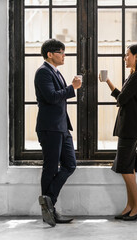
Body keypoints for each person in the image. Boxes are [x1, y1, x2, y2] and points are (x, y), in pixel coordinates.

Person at [99, 43, 137, 221]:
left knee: (124, 167)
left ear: (136, 56)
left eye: (127, 54)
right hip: (129, 126)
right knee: (127, 167)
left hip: (130, 127)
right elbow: (122, 97)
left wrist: (112, 86)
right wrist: (107, 81)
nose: (125, 57)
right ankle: (131, 205)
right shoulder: (135, 76)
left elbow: (122, 98)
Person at [35, 39, 82, 227]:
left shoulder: (55, 72)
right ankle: (49, 210)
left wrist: (70, 87)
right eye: (61, 52)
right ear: (50, 54)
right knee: (50, 168)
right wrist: (73, 88)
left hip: (62, 127)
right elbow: (51, 97)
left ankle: (48, 203)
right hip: (50, 128)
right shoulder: (43, 73)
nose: (64, 55)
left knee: (70, 165)